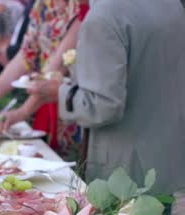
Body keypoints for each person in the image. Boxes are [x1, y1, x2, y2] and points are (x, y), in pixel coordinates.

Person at [25, 0, 185, 194]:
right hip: (167, 160)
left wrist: (59, 92)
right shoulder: (170, 4)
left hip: (124, 170)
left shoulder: (104, 17)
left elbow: (103, 107)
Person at [0, 0, 81, 157]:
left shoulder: (83, 5)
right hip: (43, 103)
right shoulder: (42, 5)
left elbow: (57, 68)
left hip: (74, 107)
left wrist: (23, 112)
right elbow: (26, 57)